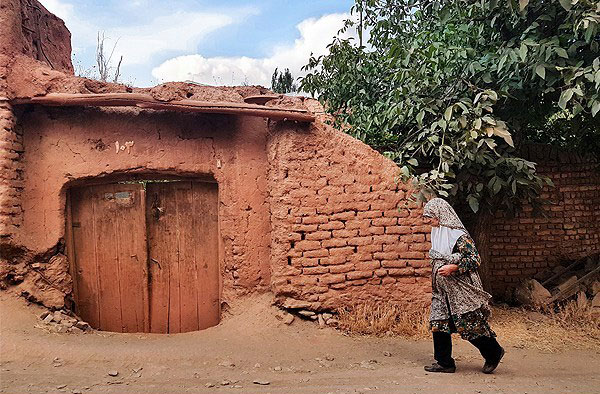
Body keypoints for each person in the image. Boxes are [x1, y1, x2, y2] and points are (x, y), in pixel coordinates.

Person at [421, 198, 504, 374]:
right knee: (439, 323)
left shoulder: (458, 236)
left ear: (441, 215)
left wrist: (454, 267)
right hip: (442, 291)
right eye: (426, 217)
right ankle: (445, 363)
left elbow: (475, 259)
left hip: (460, 289)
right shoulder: (437, 232)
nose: (427, 221)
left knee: (469, 324)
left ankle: (494, 353)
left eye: (430, 217)